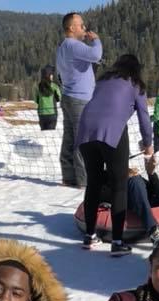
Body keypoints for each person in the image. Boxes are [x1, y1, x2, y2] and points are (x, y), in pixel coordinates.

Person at [77, 54, 153, 256]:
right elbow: (144, 118)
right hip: (112, 131)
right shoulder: (136, 84)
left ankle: (89, 235)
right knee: (120, 185)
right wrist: (148, 145)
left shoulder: (103, 80)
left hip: (85, 131)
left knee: (93, 182)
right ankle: (118, 242)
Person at [56, 12, 102, 188]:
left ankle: (69, 177)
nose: (84, 28)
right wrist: (96, 40)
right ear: (71, 28)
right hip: (79, 99)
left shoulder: (62, 47)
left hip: (68, 97)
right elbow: (96, 55)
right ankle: (84, 181)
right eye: (81, 25)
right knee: (82, 140)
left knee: (69, 139)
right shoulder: (73, 45)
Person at [35, 65, 61, 130]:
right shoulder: (55, 87)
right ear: (50, 76)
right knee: (50, 134)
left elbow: (36, 100)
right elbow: (58, 99)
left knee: (43, 134)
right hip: (52, 113)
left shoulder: (38, 87)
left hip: (42, 113)